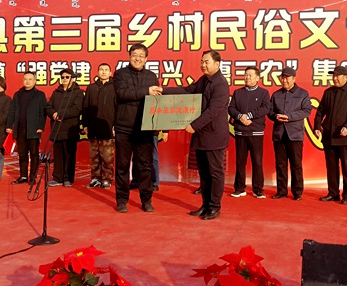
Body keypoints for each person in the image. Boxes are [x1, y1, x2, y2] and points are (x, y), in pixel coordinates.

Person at [162, 50, 230, 220]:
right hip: (201, 135)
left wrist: (194, 125)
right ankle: (205, 204)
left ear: (217, 64)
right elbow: (187, 91)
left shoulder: (221, 84)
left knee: (215, 172)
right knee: (204, 172)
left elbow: (213, 110)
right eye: (202, 62)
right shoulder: (204, 80)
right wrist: (163, 90)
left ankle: (215, 207)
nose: (203, 65)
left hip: (214, 135)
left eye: (207, 62)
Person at [113, 43, 161, 213]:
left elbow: (157, 101)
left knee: (145, 166)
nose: (138, 58)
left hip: (145, 128)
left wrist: (160, 126)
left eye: (141, 55)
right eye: (135, 55)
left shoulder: (151, 76)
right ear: (129, 56)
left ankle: (146, 200)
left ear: (146, 59)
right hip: (124, 127)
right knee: (122, 166)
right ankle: (121, 200)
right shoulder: (120, 74)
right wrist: (146, 91)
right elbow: (122, 94)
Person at [313, 65, 347, 205]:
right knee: (331, 167)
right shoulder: (328, 92)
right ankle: (333, 193)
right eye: (333, 76)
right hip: (329, 136)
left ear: (345, 77)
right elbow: (320, 111)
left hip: (344, 137)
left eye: (337, 76)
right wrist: (317, 127)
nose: (334, 78)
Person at [267, 66, 311, 201]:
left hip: (295, 134)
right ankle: (281, 191)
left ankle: (297, 192)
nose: (284, 80)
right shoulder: (276, 94)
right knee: (280, 164)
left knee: (296, 164)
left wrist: (289, 117)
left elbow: (307, 110)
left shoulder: (303, 93)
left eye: (287, 78)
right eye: (282, 78)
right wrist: (275, 117)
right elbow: (269, 111)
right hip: (279, 134)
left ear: (294, 79)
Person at [228, 66, 270, 199]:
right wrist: (240, 116)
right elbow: (231, 108)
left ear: (257, 78)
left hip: (256, 132)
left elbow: (265, 108)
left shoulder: (263, 93)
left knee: (257, 162)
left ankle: (258, 190)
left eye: (250, 75)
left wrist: (249, 115)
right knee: (240, 162)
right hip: (241, 132)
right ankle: (239, 188)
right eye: (246, 75)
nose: (247, 77)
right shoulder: (238, 93)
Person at [7, 72, 47, 185]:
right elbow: (12, 111)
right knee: (22, 154)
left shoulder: (40, 95)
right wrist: (9, 126)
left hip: (34, 129)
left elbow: (43, 112)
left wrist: (41, 126)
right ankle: (23, 176)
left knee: (34, 154)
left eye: (30, 79)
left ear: (34, 81)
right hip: (20, 129)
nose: (27, 81)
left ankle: (33, 177)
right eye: (25, 79)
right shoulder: (17, 94)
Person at [46, 68, 84, 187]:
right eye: (62, 77)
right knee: (58, 155)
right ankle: (57, 178)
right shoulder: (56, 92)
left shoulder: (77, 93)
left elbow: (77, 109)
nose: (64, 79)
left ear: (72, 78)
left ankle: (68, 178)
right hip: (57, 127)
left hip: (69, 128)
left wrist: (60, 114)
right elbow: (49, 106)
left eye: (67, 77)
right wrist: (53, 114)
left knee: (69, 154)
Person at [83, 63, 116, 190]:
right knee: (94, 156)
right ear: (97, 72)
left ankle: (107, 179)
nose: (103, 72)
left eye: (106, 70)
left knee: (107, 156)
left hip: (108, 127)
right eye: (101, 69)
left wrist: (115, 125)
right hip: (93, 127)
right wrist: (85, 124)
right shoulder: (91, 88)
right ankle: (95, 178)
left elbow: (118, 108)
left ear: (110, 73)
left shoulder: (114, 87)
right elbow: (85, 107)